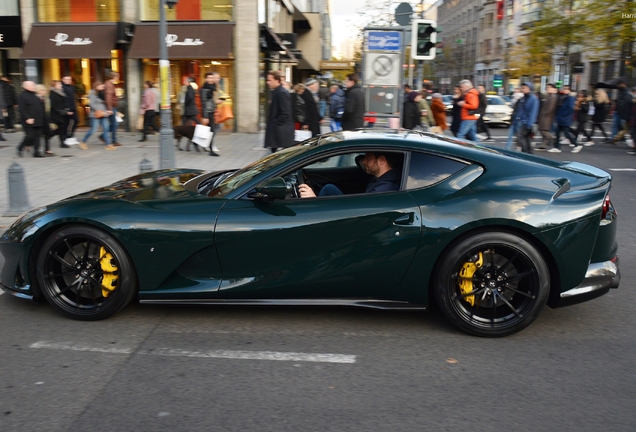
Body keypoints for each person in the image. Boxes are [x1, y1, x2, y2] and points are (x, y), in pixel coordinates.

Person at [299, 152, 401, 197]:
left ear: (382, 160)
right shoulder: (380, 178)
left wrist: (314, 201)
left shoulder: (383, 189)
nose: (364, 162)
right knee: (329, 188)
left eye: (368, 158)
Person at [264, 70, 294, 153]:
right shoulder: (276, 92)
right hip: (277, 133)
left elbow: (285, 112)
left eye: (269, 80)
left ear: (277, 80)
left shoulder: (281, 93)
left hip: (280, 133)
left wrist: (275, 123)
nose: (267, 82)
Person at [80, 82, 115, 151]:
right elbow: (91, 104)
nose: (103, 88)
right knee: (93, 129)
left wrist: (107, 110)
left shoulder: (101, 93)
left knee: (106, 128)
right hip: (95, 114)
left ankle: (108, 144)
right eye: (101, 86)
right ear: (97, 86)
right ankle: (83, 142)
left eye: (103, 87)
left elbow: (104, 103)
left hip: (104, 113)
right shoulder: (92, 93)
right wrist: (99, 110)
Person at [17, 81, 45, 157]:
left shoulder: (34, 95)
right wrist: (27, 118)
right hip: (28, 120)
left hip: (37, 119)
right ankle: (20, 147)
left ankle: (36, 152)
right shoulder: (23, 96)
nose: (34, 86)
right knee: (30, 135)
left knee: (37, 136)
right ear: (26, 87)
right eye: (32, 85)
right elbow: (22, 109)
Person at [550, 85, 577, 153]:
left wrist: (563, 114)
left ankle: (576, 144)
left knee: (566, 133)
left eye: (567, 89)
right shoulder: (564, 97)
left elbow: (570, 108)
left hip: (565, 118)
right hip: (561, 117)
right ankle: (557, 147)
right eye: (564, 88)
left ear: (570, 90)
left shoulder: (570, 98)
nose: (565, 90)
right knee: (558, 133)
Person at [515, 82, 539, 154]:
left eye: (524, 88)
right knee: (526, 138)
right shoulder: (523, 98)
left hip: (527, 122)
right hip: (522, 121)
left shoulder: (533, 99)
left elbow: (533, 112)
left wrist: (529, 124)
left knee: (520, 136)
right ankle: (529, 153)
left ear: (529, 89)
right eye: (522, 87)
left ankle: (526, 152)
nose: (522, 89)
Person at [200, 72, 221, 156]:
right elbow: (204, 103)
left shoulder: (212, 88)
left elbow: (211, 101)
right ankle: (211, 149)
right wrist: (205, 116)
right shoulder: (204, 89)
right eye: (208, 78)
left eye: (212, 78)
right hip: (207, 112)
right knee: (211, 130)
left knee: (210, 130)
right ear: (205, 79)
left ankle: (207, 146)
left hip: (211, 111)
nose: (210, 79)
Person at [536, 83, 558, 151]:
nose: (547, 88)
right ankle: (543, 145)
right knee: (543, 130)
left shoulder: (553, 97)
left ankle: (553, 140)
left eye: (549, 87)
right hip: (545, 116)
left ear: (554, 89)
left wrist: (544, 114)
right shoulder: (549, 96)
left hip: (547, 117)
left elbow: (550, 108)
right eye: (547, 87)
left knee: (544, 130)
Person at [104, 72, 122, 147]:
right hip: (111, 107)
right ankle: (113, 140)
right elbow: (108, 98)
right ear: (114, 77)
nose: (118, 78)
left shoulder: (109, 84)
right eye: (118, 77)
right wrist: (110, 109)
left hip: (112, 106)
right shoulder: (109, 85)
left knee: (114, 123)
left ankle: (105, 136)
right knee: (115, 124)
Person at [35, 84, 53, 155]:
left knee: (47, 134)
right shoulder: (35, 99)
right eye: (43, 90)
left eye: (45, 90)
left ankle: (47, 149)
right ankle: (35, 148)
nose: (45, 92)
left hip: (45, 118)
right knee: (38, 135)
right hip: (39, 119)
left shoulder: (45, 98)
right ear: (38, 91)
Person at [49, 80, 68, 148]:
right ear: (55, 85)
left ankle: (49, 135)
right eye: (59, 84)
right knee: (61, 128)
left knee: (62, 128)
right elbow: (54, 105)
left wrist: (66, 109)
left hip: (62, 113)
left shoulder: (61, 92)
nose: (61, 85)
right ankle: (62, 142)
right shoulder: (53, 93)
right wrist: (60, 111)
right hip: (56, 114)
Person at [612, 79, 632, 144]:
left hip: (623, 112)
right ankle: (616, 138)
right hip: (623, 112)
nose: (618, 85)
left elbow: (625, 103)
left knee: (624, 127)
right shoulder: (623, 92)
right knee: (624, 128)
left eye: (620, 84)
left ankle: (615, 138)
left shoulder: (626, 93)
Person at [61, 75, 77, 146]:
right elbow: (64, 100)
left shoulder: (72, 87)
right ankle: (65, 137)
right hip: (67, 108)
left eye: (69, 79)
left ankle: (70, 135)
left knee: (76, 121)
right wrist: (67, 109)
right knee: (66, 123)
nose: (68, 81)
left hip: (73, 107)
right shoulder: (62, 87)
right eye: (66, 79)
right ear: (62, 79)